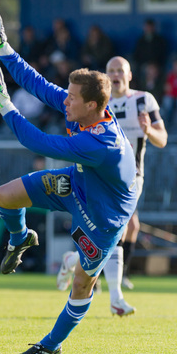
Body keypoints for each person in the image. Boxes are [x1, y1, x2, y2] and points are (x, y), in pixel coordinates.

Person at [0, 4, 137, 354]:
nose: (64, 100)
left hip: (103, 216)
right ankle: (20, 239)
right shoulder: (81, 108)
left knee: (83, 282)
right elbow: (37, 84)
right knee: (5, 196)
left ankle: (50, 347)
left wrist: (7, 108)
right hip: (77, 184)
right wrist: (3, 47)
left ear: (93, 105)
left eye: (71, 98)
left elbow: (41, 144)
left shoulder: (102, 143)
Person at [56, 55, 167, 315]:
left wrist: (148, 131)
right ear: (106, 77)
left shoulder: (143, 100)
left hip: (131, 178)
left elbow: (162, 139)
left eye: (120, 70)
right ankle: (81, 266)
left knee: (124, 228)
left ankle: (108, 288)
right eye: (111, 70)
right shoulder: (98, 103)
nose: (116, 74)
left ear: (129, 75)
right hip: (98, 175)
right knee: (118, 230)